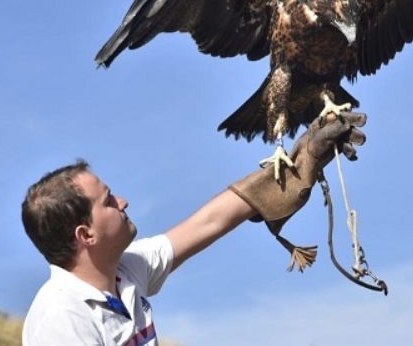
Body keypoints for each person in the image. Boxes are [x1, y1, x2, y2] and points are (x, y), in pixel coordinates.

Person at [21, 112, 366, 345]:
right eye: (108, 201)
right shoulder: (60, 318)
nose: (123, 202)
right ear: (86, 235)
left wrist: (299, 162)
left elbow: (210, 221)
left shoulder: (126, 270)